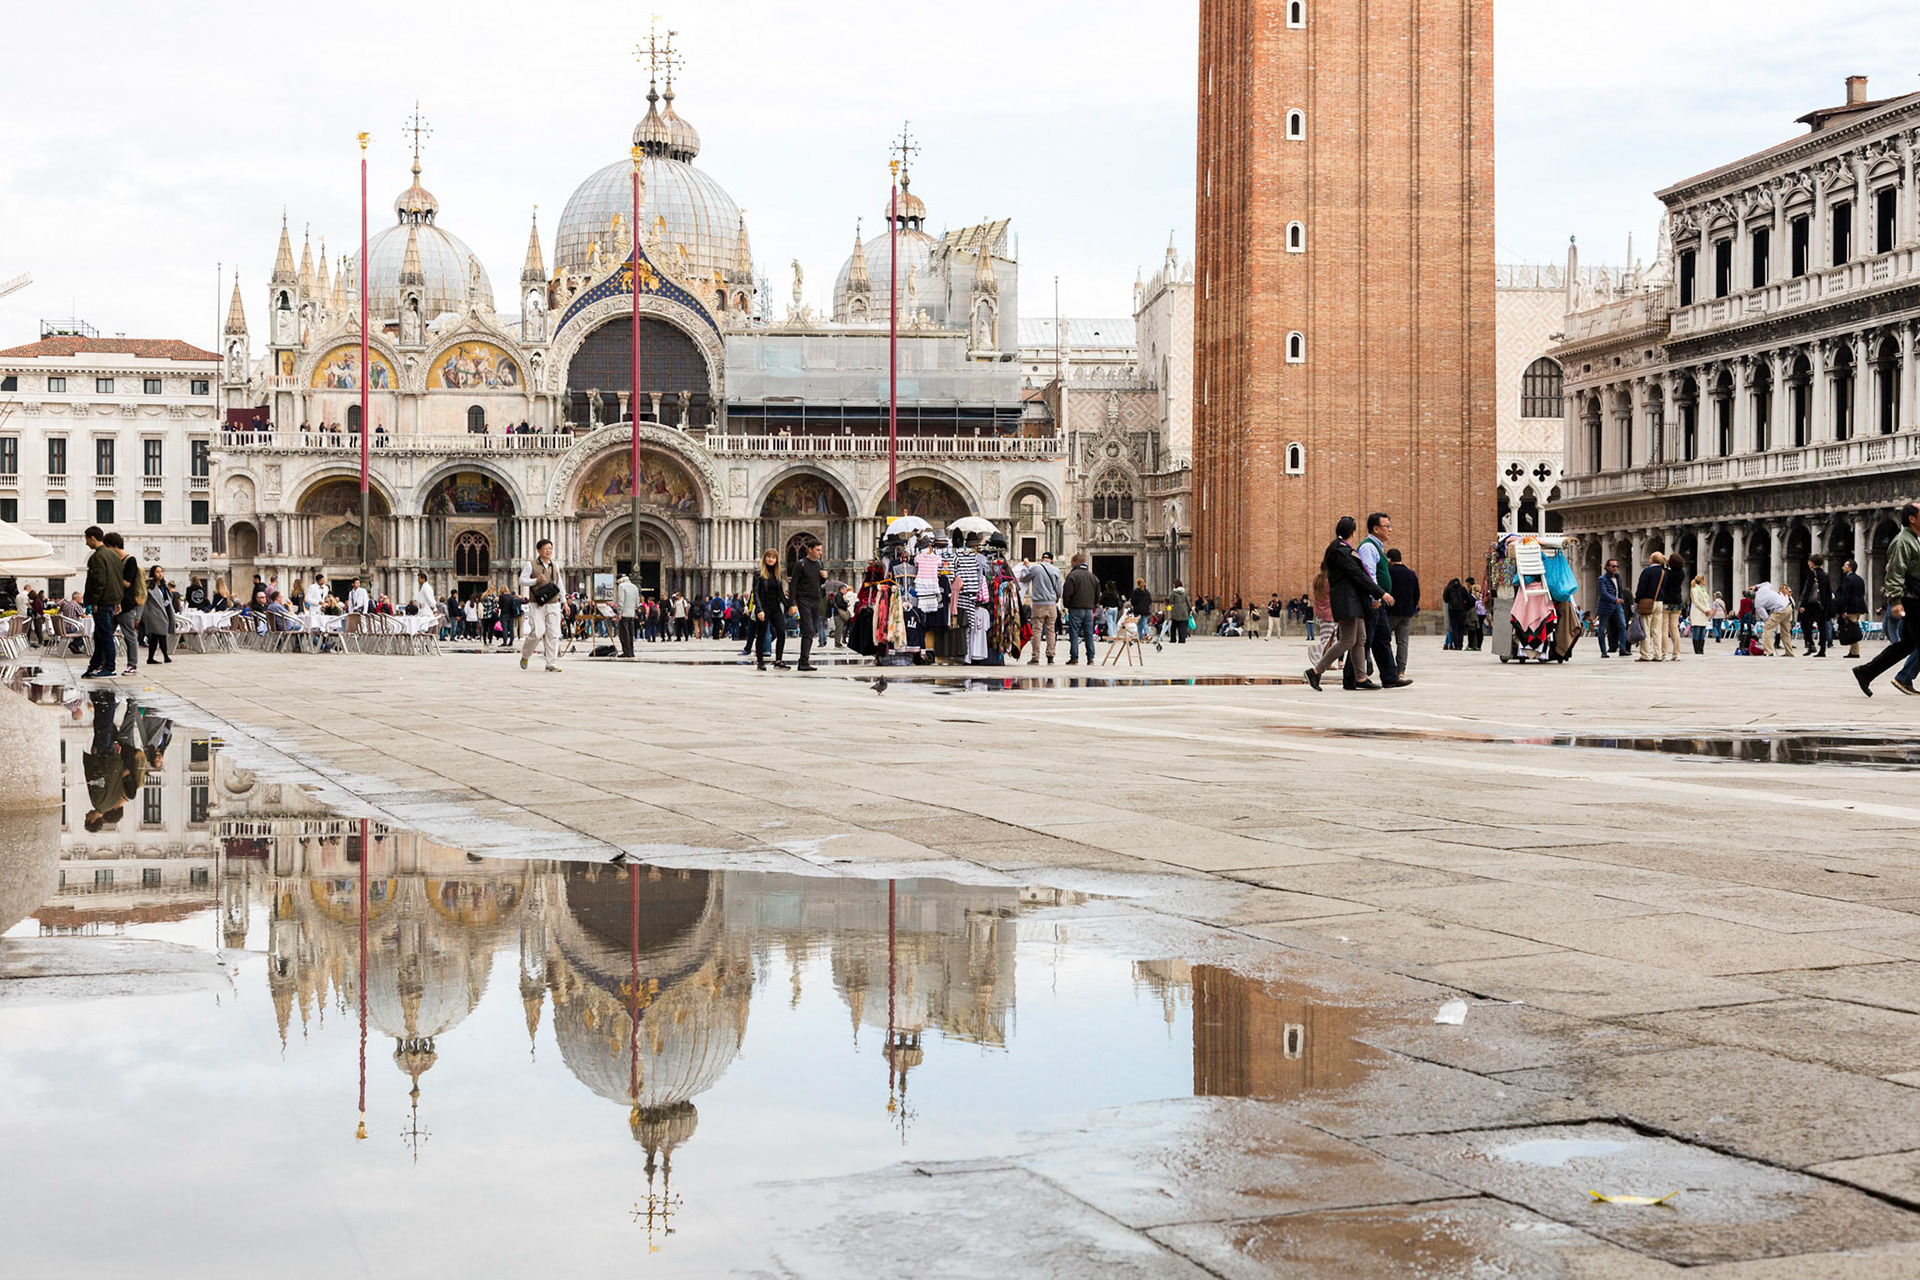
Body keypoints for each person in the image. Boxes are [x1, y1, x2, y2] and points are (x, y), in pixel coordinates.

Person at [1305, 515, 1385, 691]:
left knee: (1360, 639)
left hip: (1354, 601)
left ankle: (1361, 678)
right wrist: (1380, 593)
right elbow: (1359, 575)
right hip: (1348, 602)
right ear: (1353, 532)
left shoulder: (1342, 549)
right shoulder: (1342, 552)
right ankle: (1316, 670)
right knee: (1348, 640)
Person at [1854, 502, 1920, 696]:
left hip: (1914, 598)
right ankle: (1901, 677)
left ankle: (1866, 672)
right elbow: (1895, 573)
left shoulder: (1913, 540)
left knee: (1906, 644)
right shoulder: (1902, 542)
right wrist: (1896, 601)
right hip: (1912, 600)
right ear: (1912, 518)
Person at [1356, 512, 1407, 686]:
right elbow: (1369, 573)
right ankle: (1352, 677)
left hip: (1379, 604)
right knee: (1364, 641)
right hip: (1374, 602)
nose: (1390, 530)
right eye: (1387, 526)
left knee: (1382, 638)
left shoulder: (1378, 547)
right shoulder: (1368, 547)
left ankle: (1390, 677)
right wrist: (1375, 596)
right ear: (1376, 529)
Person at [80, 525, 123, 678]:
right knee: (99, 635)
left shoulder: (97, 557)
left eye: (86, 539)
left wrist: (94, 601)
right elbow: (118, 580)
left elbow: (99, 581)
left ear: (92, 538)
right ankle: (95, 665)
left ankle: (110, 667)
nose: (86, 543)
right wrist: (118, 600)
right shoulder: (114, 556)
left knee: (105, 635)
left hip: (102, 602)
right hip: (111, 600)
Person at [518, 538, 564, 672]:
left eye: (550, 548)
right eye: (546, 548)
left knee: (554, 634)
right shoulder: (531, 565)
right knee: (537, 633)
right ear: (539, 551)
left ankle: (551, 662)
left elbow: (559, 584)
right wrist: (535, 580)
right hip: (537, 603)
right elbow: (522, 580)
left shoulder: (555, 566)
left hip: (553, 603)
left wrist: (564, 602)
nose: (548, 551)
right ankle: (526, 655)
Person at [102, 533, 144, 676]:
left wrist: (113, 574)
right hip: (112, 603)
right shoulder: (113, 560)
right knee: (106, 634)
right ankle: (105, 663)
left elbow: (127, 583)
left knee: (129, 635)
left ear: (114, 546)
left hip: (126, 604)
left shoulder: (130, 560)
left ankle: (132, 665)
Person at [1018, 553, 1063, 664]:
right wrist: (1055, 598)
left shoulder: (1036, 568)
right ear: (1051, 560)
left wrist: (1026, 567)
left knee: (1037, 631)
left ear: (1042, 559)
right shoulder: (1056, 570)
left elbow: (1023, 578)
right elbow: (1059, 589)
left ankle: (1035, 657)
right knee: (1051, 631)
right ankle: (1050, 657)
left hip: (1038, 604)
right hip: (1051, 604)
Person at [751, 548, 790, 670]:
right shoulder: (759, 574)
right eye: (769, 557)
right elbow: (756, 593)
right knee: (761, 635)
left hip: (775, 607)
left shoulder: (777, 575)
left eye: (773, 557)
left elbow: (780, 594)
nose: (771, 559)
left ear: (776, 560)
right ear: (765, 559)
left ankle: (778, 660)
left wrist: (790, 606)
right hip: (763, 607)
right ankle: (760, 662)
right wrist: (759, 609)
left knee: (781, 631)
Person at [791, 538, 826, 671]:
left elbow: (819, 583)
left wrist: (824, 577)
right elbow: (793, 584)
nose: (820, 553)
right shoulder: (801, 564)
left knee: (812, 631)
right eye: (817, 550)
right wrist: (792, 604)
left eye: (821, 550)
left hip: (816, 599)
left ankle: (804, 660)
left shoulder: (819, 564)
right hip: (803, 599)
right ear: (809, 550)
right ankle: (803, 661)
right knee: (808, 630)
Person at [1061, 553, 1100, 665]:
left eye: (1072, 562)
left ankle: (1074, 657)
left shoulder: (1072, 576)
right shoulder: (1093, 577)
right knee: (1089, 633)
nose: (1071, 564)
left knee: (1074, 633)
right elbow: (1098, 595)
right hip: (1088, 610)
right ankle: (1090, 658)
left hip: (1076, 608)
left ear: (1076, 561)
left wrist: (1067, 605)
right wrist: (1093, 605)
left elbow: (1067, 593)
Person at [1386, 548, 1419, 675]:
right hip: (1406, 613)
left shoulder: (1388, 573)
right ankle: (1401, 670)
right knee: (1403, 642)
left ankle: (1389, 667)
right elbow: (1417, 594)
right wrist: (1412, 607)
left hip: (1390, 612)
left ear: (1390, 559)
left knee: (1384, 640)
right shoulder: (1411, 574)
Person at [1633, 552, 1667, 662]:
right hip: (1659, 602)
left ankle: (1645, 654)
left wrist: (1637, 600)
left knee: (1646, 628)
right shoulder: (1663, 572)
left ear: (1651, 560)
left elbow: (1641, 587)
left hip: (1647, 602)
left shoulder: (1647, 571)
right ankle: (1658, 654)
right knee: (1657, 630)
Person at [1799, 555, 1833, 658]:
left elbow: (1808, 590)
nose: (1809, 563)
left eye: (1810, 561)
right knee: (1822, 627)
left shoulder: (1812, 573)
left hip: (1812, 604)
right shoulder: (1825, 574)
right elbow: (1828, 591)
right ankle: (1822, 650)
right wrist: (1828, 605)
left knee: (1804, 622)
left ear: (1813, 563)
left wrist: (1803, 604)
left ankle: (1811, 644)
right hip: (1822, 604)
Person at [142, 565, 176, 664]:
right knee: (161, 634)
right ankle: (165, 656)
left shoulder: (164, 587)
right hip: (155, 614)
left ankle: (150, 658)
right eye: (157, 572)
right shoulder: (149, 587)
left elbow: (168, 599)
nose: (160, 574)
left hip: (164, 612)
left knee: (156, 636)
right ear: (153, 573)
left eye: (161, 571)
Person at [1753, 579, 1795, 656]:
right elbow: (1767, 583)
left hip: (1780, 610)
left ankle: (1768, 651)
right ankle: (1789, 652)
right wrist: (1756, 586)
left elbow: (1765, 617)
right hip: (1788, 606)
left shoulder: (1757, 602)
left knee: (1767, 629)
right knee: (1785, 631)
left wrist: (1769, 622)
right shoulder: (1764, 589)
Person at [1837, 557, 1868, 659]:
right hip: (1859, 607)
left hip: (1851, 608)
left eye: (1845, 566)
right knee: (1853, 627)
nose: (1842, 568)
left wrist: (1844, 610)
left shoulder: (1848, 579)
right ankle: (1852, 650)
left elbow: (1846, 596)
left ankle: (1855, 652)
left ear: (1850, 568)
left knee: (1852, 628)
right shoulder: (1859, 579)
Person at [1657, 549, 1685, 660]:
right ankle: (1676, 653)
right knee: (1674, 628)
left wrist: (1664, 561)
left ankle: (1664, 653)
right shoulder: (1681, 573)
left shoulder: (1666, 573)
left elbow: (1663, 568)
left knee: (1664, 628)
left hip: (1666, 601)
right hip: (1677, 602)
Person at [1595, 559, 1625, 658]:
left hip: (1618, 604)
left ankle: (1623, 649)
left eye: (1617, 566)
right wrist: (1614, 600)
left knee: (1622, 625)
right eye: (1613, 566)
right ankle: (1603, 651)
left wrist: (1621, 599)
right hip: (1606, 605)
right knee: (1602, 629)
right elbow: (1603, 593)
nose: (1615, 568)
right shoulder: (1602, 579)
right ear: (1607, 567)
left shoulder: (1618, 578)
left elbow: (1620, 590)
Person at [616, 572, 639, 658]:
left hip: (624, 613)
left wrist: (619, 612)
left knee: (624, 634)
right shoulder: (635, 587)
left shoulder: (621, 587)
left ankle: (626, 652)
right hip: (631, 614)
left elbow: (621, 600)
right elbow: (637, 602)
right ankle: (631, 651)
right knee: (630, 633)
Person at [1688, 574, 1712, 655]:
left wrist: (1708, 610)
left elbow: (1706, 602)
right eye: (1704, 579)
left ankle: (1701, 649)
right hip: (1697, 613)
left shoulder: (1703, 590)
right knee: (1697, 631)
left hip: (1704, 614)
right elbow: (1696, 602)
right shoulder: (1695, 590)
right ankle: (1697, 649)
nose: (1705, 581)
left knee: (1702, 632)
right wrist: (1705, 610)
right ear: (1701, 581)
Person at [1166, 578, 1191, 645]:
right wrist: (1190, 608)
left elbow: (1171, 601)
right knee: (1183, 626)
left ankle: (1173, 639)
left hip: (1176, 611)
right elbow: (1188, 601)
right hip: (1184, 611)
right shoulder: (1184, 592)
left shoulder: (1174, 592)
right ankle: (1182, 639)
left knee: (1173, 626)